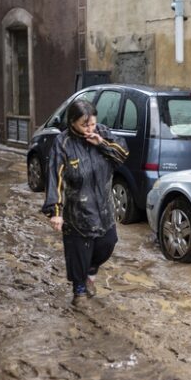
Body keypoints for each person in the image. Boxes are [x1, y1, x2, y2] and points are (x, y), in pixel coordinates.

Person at [42, 100, 129, 306]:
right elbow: (55, 178)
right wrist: (56, 211)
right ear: (72, 122)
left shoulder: (103, 133)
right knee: (79, 251)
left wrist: (101, 143)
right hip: (77, 208)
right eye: (85, 125)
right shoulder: (63, 143)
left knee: (107, 243)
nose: (90, 128)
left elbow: (123, 155)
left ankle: (91, 273)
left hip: (103, 205)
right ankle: (79, 290)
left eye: (92, 124)